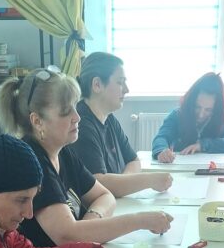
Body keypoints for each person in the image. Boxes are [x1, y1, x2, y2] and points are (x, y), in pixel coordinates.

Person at [0, 67, 173, 248]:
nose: (77, 117)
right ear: (37, 121)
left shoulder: (62, 152)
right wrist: (140, 220)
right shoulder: (31, 162)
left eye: (75, 106)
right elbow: (67, 237)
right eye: (66, 111)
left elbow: (105, 196)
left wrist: (88, 226)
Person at [71, 51, 174, 198]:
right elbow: (97, 184)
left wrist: (122, 184)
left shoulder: (109, 118)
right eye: (120, 82)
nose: (126, 89)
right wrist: (149, 180)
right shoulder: (81, 125)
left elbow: (134, 160)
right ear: (97, 85)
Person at [152, 72, 224, 161]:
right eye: (197, 107)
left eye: (208, 110)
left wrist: (203, 145)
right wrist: (162, 151)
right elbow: (161, 137)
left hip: (213, 169)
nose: (201, 115)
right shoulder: (178, 114)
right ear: (190, 102)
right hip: (181, 169)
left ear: (216, 109)